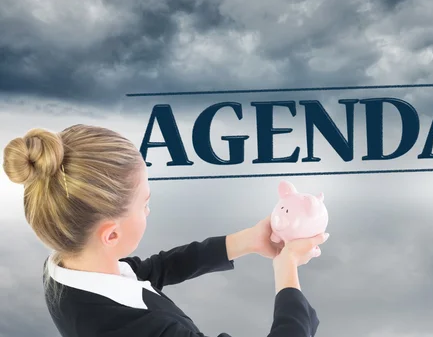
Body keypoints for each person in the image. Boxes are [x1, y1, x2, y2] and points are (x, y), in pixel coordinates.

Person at [2, 124, 329, 337]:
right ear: (111, 235)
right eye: (145, 203)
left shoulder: (62, 268)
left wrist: (246, 241)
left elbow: (150, 270)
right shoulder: (153, 330)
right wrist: (287, 273)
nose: (149, 209)